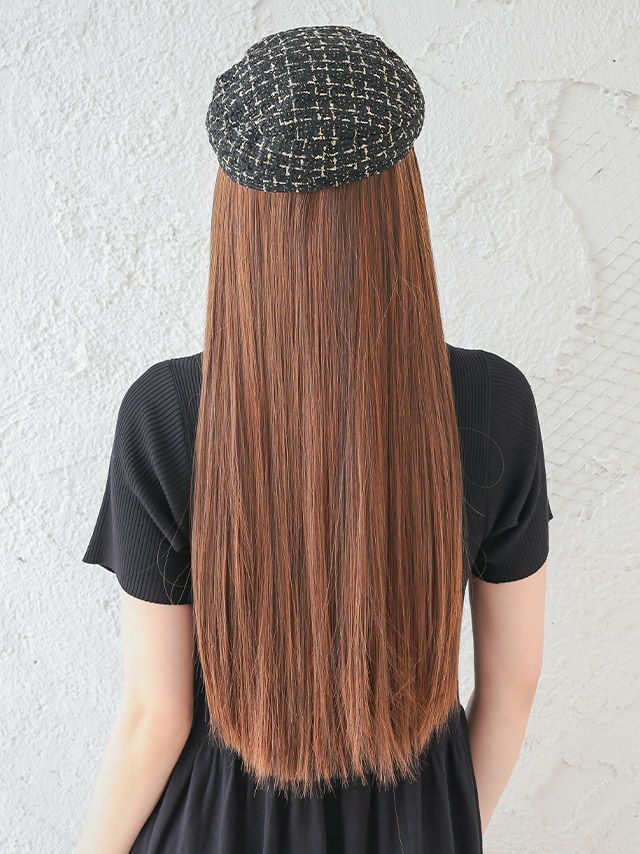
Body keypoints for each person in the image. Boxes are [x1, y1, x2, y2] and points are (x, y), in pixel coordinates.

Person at [76, 24, 553, 854]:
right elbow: (512, 689)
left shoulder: (167, 412)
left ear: (238, 208)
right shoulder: (493, 402)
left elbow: (156, 716)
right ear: (403, 196)